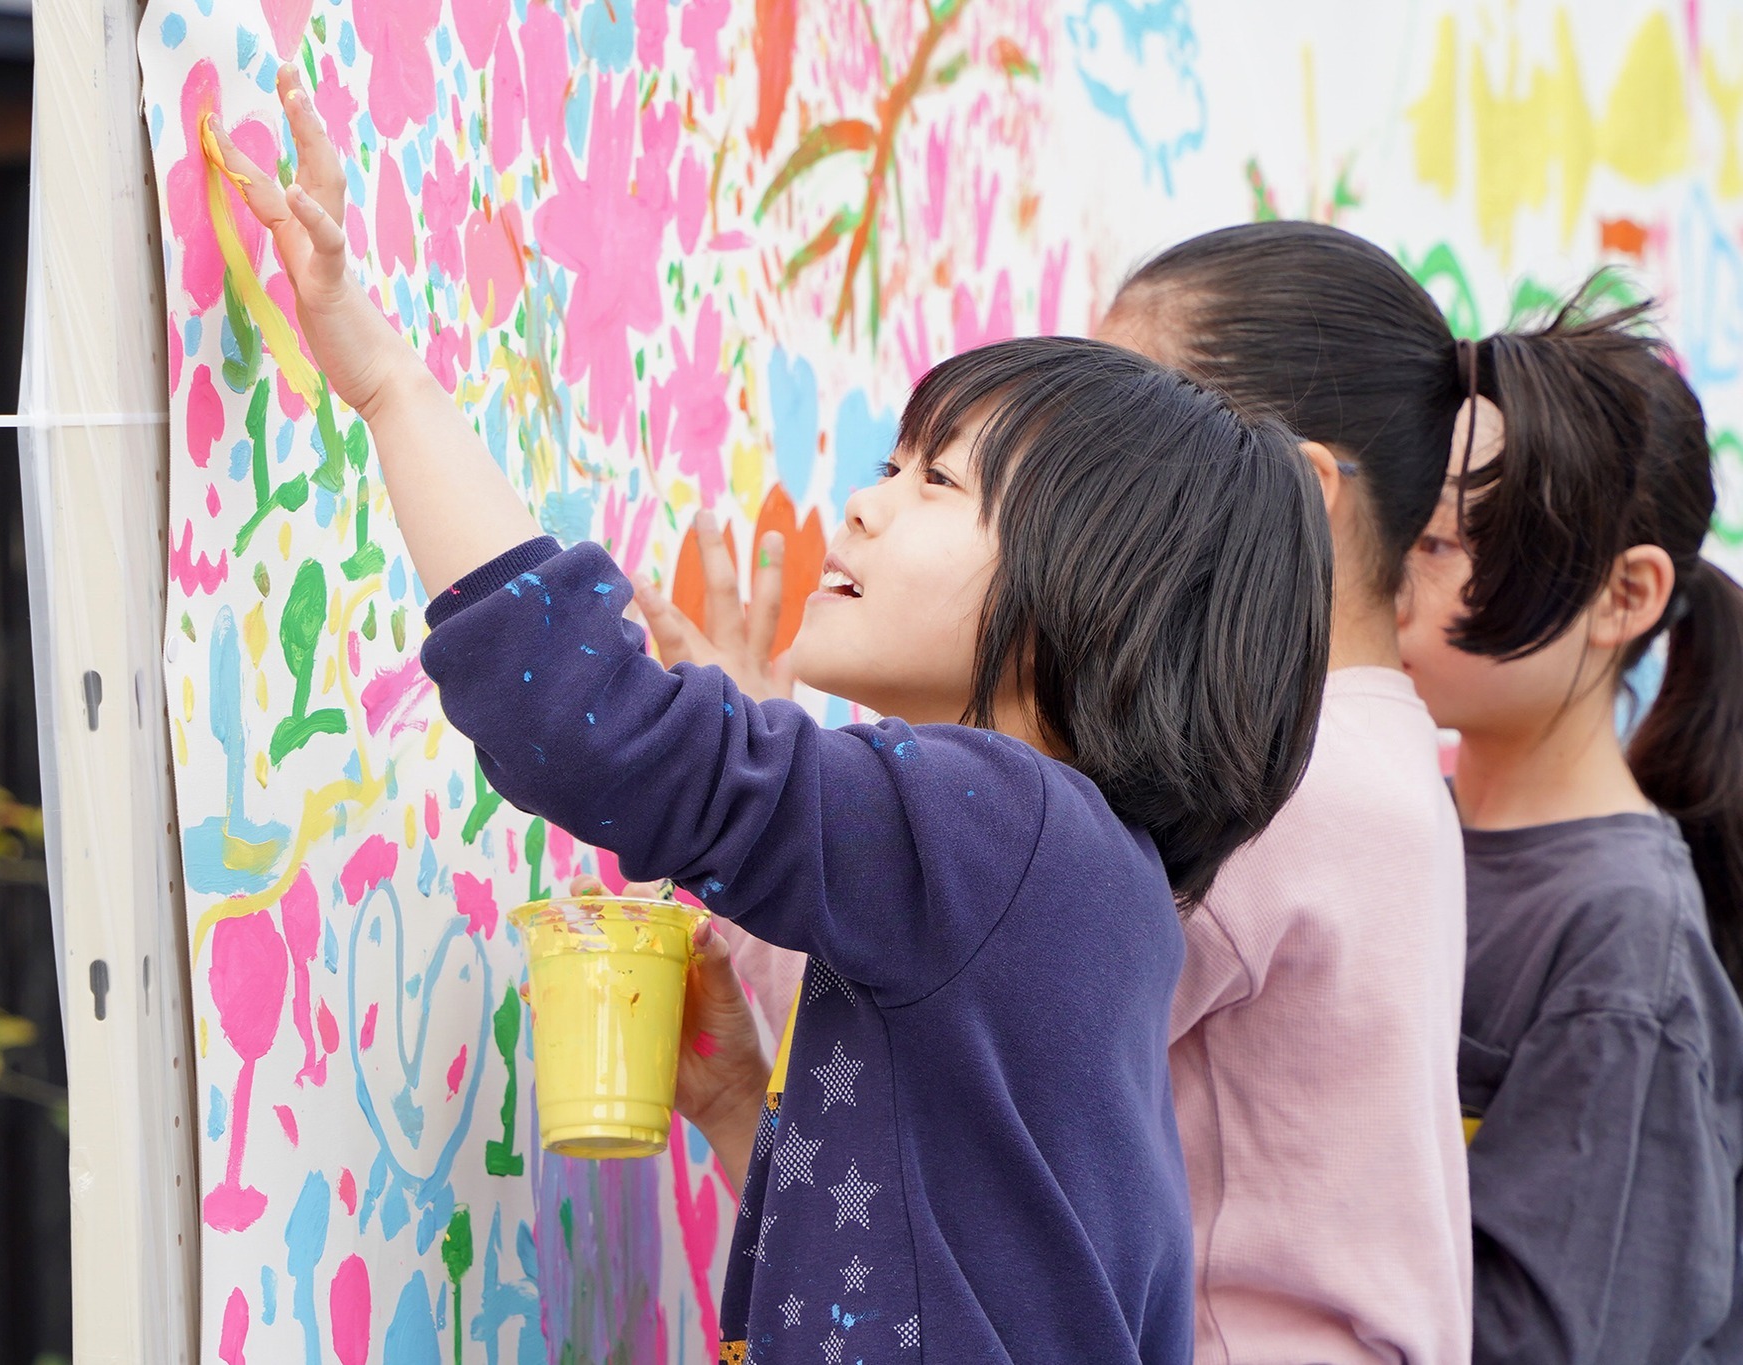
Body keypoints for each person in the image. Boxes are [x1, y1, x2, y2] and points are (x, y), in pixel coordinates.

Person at [221, 66, 1334, 1363]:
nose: (863, 504)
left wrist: (391, 389)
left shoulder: (998, 817)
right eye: (885, 466)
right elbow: (969, 1266)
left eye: (935, 481)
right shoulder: (1102, 893)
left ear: (1095, 593)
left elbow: (595, 725)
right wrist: (755, 1110)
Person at [1094, 221, 1480, 1363]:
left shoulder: (1271, 785)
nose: (1052, 496)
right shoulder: (1377, 745)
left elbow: (991, 1025)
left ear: (1299, 495)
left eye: (1107, 448)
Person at [1396, 292, 1743, 1363]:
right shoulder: (1405, 829)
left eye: (1442, 539)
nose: (1387, 574)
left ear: (1622, 595)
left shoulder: (1618, 930)